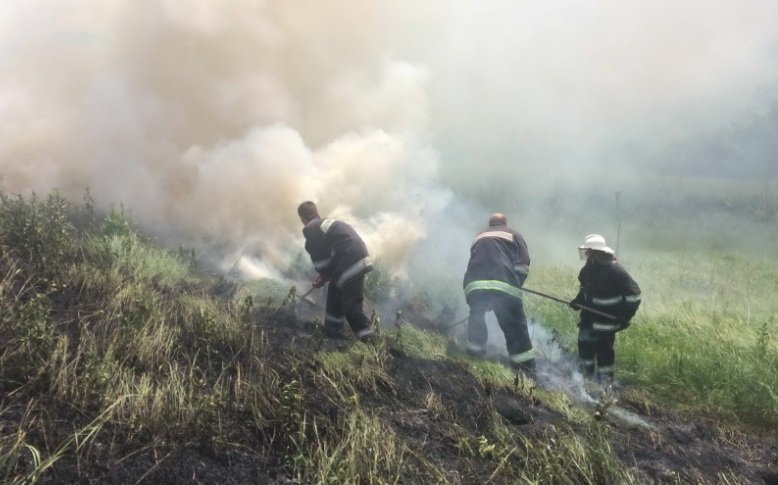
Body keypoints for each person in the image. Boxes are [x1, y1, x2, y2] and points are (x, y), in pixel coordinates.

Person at [463, 213, 534, 373]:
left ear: (490, 224)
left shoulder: (478, 237)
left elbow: (474, 263)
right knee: (514, 325)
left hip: (474, 285)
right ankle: (524, 367)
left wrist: (484, 296)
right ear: (505, 223)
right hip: (504, 285)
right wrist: (516, 285)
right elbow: (523, 265)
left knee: (476, 316)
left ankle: (474, 354)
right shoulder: (513, 234)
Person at [297, 201, 375, 342]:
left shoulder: (311, 228)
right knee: (335, 292)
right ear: (316, 213)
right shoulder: (327, 224)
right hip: (357, 257)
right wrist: (325, 276)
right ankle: (333, 331)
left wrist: (323, 274)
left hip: (349, 259)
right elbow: (333, 252)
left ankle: (369, 339)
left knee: (351, 303)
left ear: (302, 218)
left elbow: (320, 256)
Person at [569, 234, 641, 384]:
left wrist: (625, 316)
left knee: (604, 355)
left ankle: (605, 385)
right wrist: (578, 302)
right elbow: (584, 291)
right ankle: (586, 382)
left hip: (606, 323)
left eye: (589, 251)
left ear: (597, 252)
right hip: (587, 320)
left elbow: (634, 295)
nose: (587, 254)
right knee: (585, 351)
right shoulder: (587, 270)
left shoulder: (616, 271)